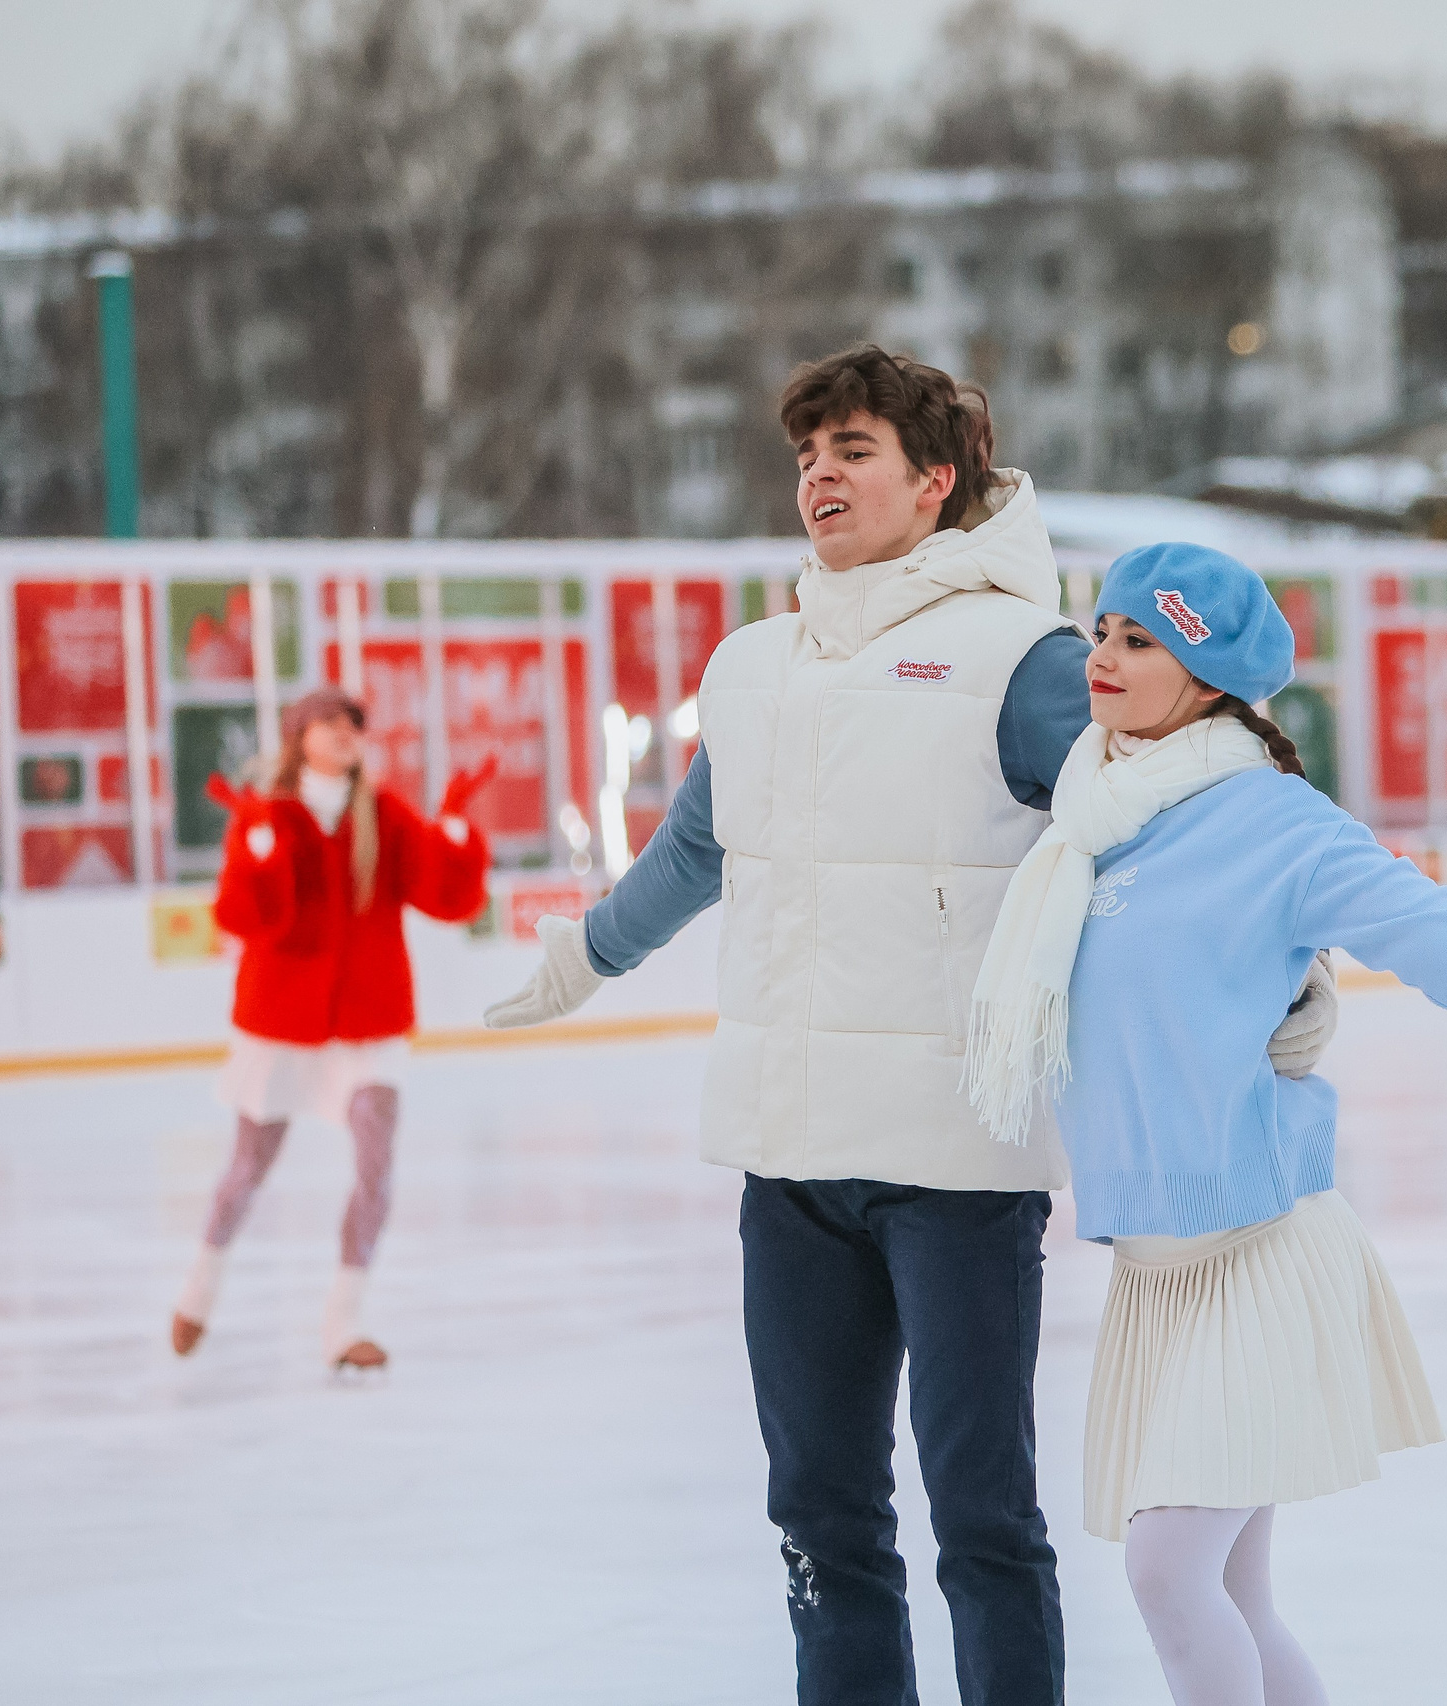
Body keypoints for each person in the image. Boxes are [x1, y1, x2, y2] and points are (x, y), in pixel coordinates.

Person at [484, 347, 1335, 1706]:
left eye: (855, 448)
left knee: (982, 1515)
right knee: (820, 1516)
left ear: (937, 481)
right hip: (790, 1156)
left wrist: (1288, 981)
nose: (819, 471)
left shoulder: (1027, 658)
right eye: (807, 452)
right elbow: (698, 849)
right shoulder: (755, 667)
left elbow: (1177, 826)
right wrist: (585, 953)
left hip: (957, 1165)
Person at [963, 542, 1447, 1706]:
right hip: (1156, 1262)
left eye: (1144, 640)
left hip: (1258, 1245)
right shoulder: (1089, 817)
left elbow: (1442, 939)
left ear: (1213, 675)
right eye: (1105, 632)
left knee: (1171, 1574)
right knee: (1237, 1594)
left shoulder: (1276, 822)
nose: (1106, 659)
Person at [168, 685, 491, 1374]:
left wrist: (456, 830)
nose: (347, 730)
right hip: (282, 1022)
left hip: (368, 1021)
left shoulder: (385, 813)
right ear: (299, 735)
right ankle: (199, 1289)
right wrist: (257, 851)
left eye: (355, 722)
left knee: (376, 1165)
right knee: (247, 1168)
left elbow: (443, 892)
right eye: (331, 720)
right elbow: (247, 919)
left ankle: (344, 1322)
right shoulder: (268, 815)